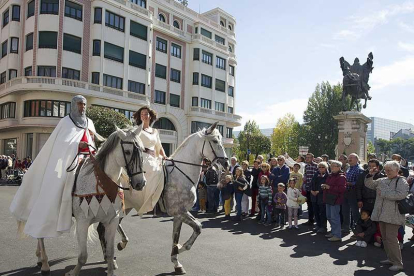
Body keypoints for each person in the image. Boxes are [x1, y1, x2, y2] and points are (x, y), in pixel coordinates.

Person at [10, 95, 99, 238]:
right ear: (73, 105)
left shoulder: (89, 122)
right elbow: (60, 144)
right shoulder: (65, 122)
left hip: (89, 157)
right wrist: (77, 145)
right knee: (65, 181)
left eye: (84, 105)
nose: (82, 107)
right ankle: (59, 211)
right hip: (72, 159)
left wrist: (92, 148)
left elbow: (92, 141)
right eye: (80, 104)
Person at [364, 161, 409, 272]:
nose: (387, 172)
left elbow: (401, 195)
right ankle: (391, 259)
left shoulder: (401, 181)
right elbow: (369, 184)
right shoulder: (382, 180)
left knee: (392, 239)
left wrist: (383, 193)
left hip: (393, 215)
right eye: (386, 170)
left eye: (390, 170)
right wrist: (370, 175)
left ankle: (398, 263)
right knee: (385, 239)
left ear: (397, 170)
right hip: (381, 214)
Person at [124, 106, 167, 216]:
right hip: (142, 157)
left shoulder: (155, 131)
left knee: (168, 169)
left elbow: (159, 146)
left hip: (155, 157)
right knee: (154, 170)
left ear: (150, 116)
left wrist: (165, 156)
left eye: (146, 114)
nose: (144, 116)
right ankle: (150, 201)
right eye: (142, 114)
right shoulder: (136, 130)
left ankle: (161, 199)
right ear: (139, 116)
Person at [323, 160, 347, 242]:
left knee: (334, 217)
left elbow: (342, 189)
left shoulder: (341, 177)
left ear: (339, 167)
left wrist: (329, 187)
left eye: (333, 166)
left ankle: (337, 235)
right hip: (329, 198)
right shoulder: (330, 175)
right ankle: (333, 232)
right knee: (329, 216)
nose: (331, 167)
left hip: (335, 199)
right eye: (331, 166)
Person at [342, 153, 363, 233]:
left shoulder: (359, 169)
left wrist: (351, 183)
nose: (349, 159)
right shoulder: (349, 168)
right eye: (349, 157)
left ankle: (357, 229)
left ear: (357, 159)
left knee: (355, 212)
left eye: (352, 158)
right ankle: (346, 227)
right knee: (345, 211)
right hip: (346, 192)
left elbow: (359, 183)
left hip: (353, 193)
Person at [311, 162, 329, 233]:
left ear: (326, 168)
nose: (321, 169)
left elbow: (326, 185)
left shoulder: (328, 176)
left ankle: (323, 227)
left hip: (322, 196)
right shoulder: (316, 174)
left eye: (323, 167)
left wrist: (319, 191)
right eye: (320, 167)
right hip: (314, 196)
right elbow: (312, 183)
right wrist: (312, 190)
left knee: (322, 212)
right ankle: (318, 225)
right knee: (316, 211)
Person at [304, 153, 318, 225]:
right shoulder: (306, 166)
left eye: (309, 157)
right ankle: (310, 219)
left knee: (314, 205)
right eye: (306, 157)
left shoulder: (316, 166)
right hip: (307, 188)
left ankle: (316, 220)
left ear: (312, 158)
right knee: (309, 205)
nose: (307, 159)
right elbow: (306, 176)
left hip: (314, 189)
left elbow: (317, 178)